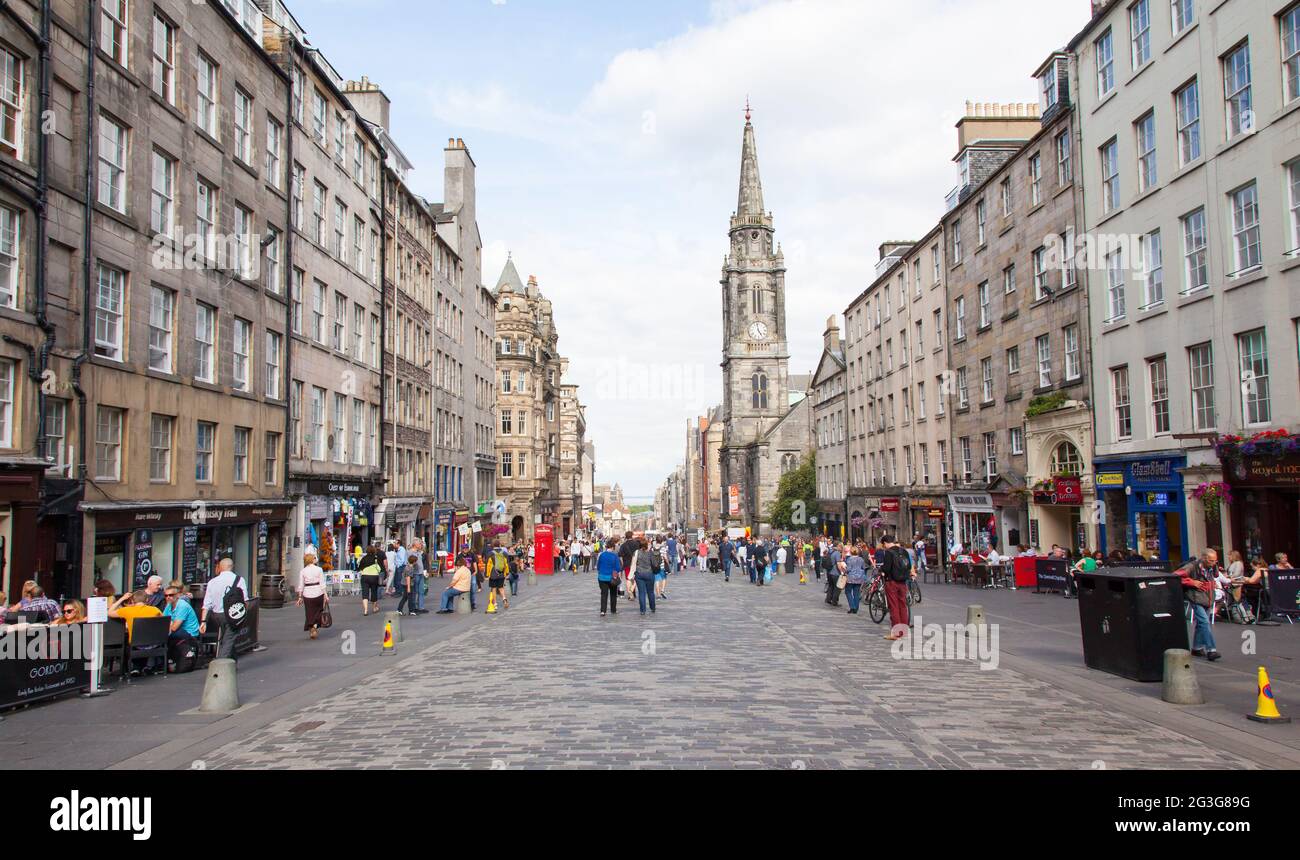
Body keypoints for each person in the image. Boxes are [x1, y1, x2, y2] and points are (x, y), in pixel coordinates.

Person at [200, 558, 248, 661]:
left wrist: (203, 621)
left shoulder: (212, 582)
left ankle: (232, 663)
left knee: (228, 638)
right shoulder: (239, 580)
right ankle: (221, 666)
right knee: (229, 639)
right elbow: (245, 600)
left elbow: (206, 604)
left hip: (217, 615)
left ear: (220, 567)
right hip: (234, 614)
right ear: (232, 567)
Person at [1178, 550, 1222, 662]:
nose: (1213, 563)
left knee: (1201, 623)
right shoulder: (1192, 567)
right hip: (1196, 597)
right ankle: (1211, 650)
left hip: (1208, 598)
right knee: (1204, 622)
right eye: (1211, 560)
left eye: (1215, 560)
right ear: (1204, 558)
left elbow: (1215, 576)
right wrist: (1191, 582)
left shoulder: (1213, 566)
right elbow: (1176, 575)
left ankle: (1197, 648)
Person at [161, 585, 201, 671]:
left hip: (190, 634)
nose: (168, 597)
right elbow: (163, 621)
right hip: (177, 631)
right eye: (166, 595)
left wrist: (169, 624)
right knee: (160, 635)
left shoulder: (182, 606)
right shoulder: (169, 605)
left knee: (164, 636)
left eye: (171, 595)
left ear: (178, 595)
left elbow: (174, 627)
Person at [880, 536, 913, 640]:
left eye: (883, 545)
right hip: (903, 582)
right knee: (903, 606)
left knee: (893, 606)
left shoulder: (889, 553)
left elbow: (886, 568)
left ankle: (896, 633)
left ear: (885, 543)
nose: (884, 547)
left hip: (892, 582)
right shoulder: (904, 551)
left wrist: (881, 569)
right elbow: (908, 565)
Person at [296, 552, 329, 639]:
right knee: (319, 611)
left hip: (307, 593)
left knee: (309, 612)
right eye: (314, 558)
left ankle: (311, 628)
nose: (315, 559)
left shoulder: (303, 571)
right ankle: (314, 626)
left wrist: (300, 597)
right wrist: (326, 595)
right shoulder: (319, 569)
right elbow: (322, 583)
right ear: (312, 560)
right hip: (318, 592)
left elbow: (301, 585)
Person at [633, 538, 659, 615]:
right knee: (650, 592)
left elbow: (634, 562)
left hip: (639, 574)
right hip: (649, 573)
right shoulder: (650, 553)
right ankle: (652, 607)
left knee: (641, 592)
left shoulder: (637, 552)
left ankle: (642, 610)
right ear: (647, 545)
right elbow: (654, 564)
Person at [358, 543, 385, 617]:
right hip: (374, 577)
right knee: (374, 591)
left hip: (365, 577)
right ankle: (374, 608)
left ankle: (365, 610)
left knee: (365, 593)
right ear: (374, 550)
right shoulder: (375, 558)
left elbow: (360, 568)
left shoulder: (363, 558)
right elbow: (379, 569)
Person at [597, 538, 622, 617]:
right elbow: (618, 568)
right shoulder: (615, 556)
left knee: (604, 594)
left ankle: (603, 611)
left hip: (602, 577)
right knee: (613, 594)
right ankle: (613, 610)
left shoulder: (602, 555)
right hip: (612, 578)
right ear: (613, 547)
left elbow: (598, 566)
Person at [843, 546, 868, 614]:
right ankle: (856, 608)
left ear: (851, 552)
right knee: (856, 593)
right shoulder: (861, 559)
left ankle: (852, 606)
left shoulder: (849, 559)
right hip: (859, 578)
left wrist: (844, 569)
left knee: (848, 592)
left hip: (851, 578)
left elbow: (848, 569)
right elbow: (863, 567)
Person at [487, 544, 510, 611]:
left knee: (493, 589)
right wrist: (507, 573)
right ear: (499, 545)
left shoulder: (490, 553)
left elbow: (488, 564)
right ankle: (504, 599)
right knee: (501, 588)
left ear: (493, 545)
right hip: (501, 573)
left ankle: (495, 604)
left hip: (493, 573)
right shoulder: (504, 553)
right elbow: (506, 564)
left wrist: (487, 574)